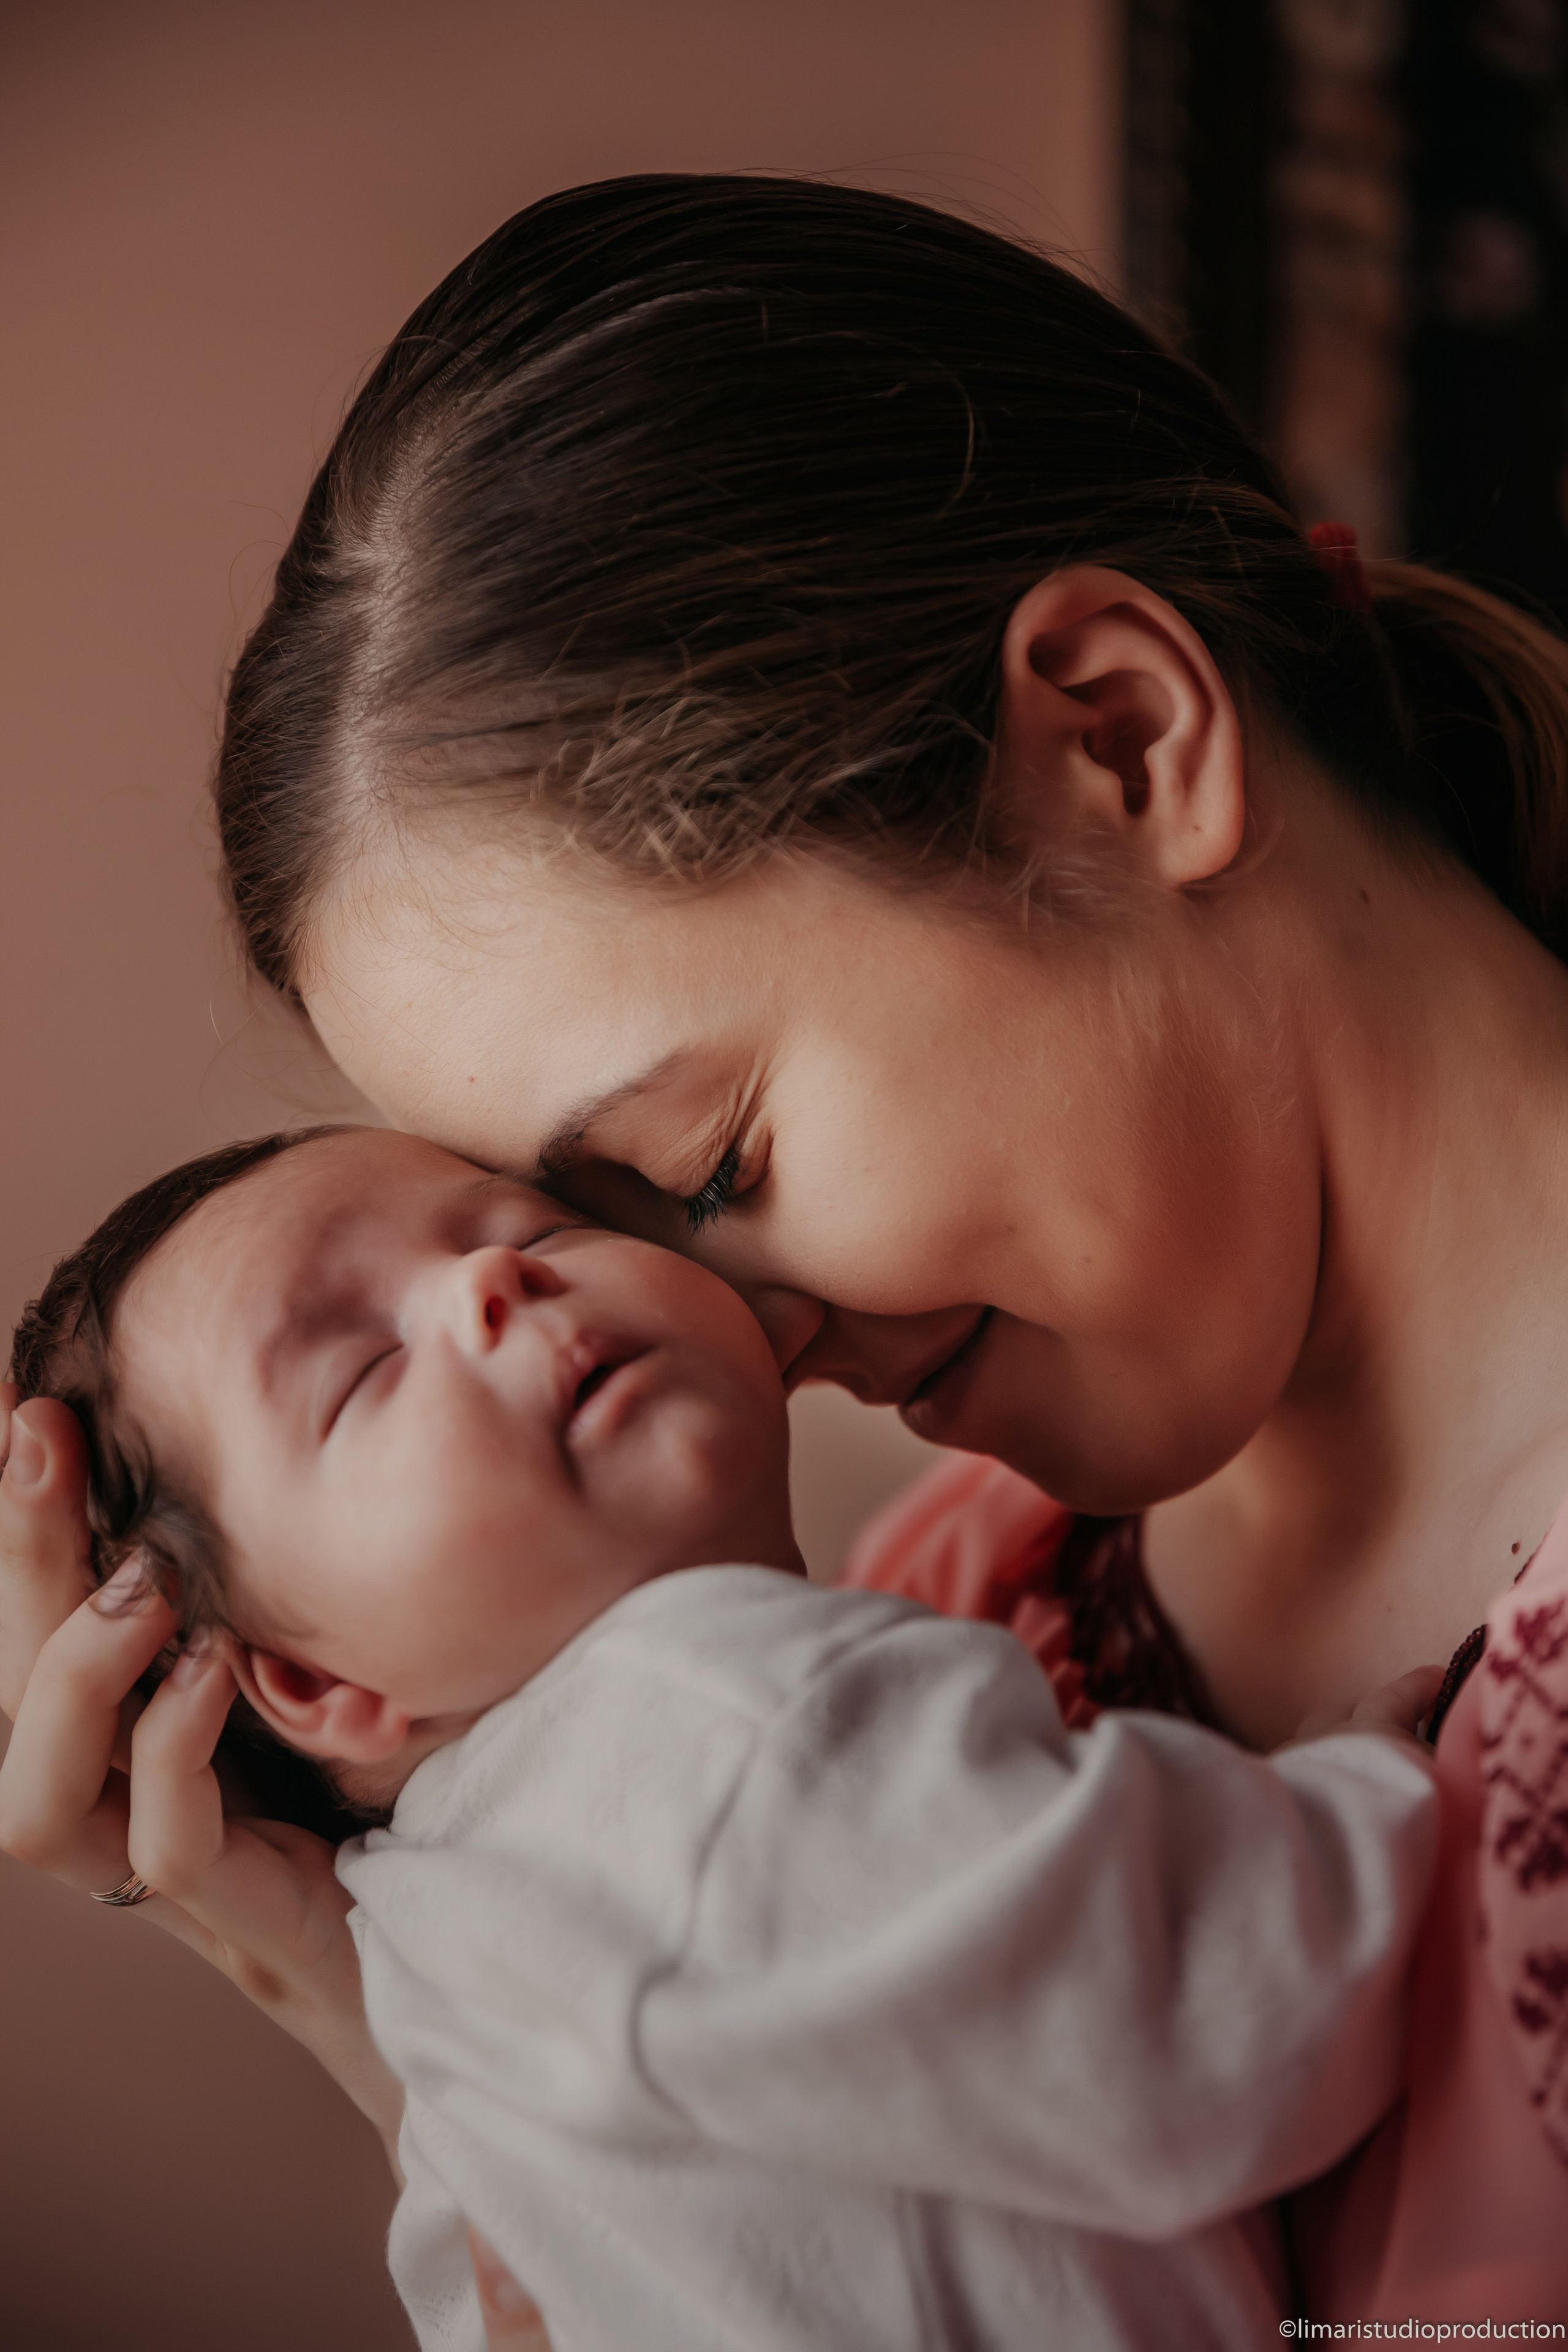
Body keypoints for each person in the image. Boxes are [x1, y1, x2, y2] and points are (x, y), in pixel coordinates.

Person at [5, 173, 1568, 2321]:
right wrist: (384, 2024)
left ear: (1122, 739)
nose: (725, 1316)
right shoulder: (922, 1618)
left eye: (707, 1164)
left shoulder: (803, 1723)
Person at [8, 1121, 1441, 2351]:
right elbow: (1200, 2019)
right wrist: (1362, 1792)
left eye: (534, 1224)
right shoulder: (715, 1715)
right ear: (317, 1689)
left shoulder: (431, 1961)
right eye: (363, 1373)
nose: (491, 1282)